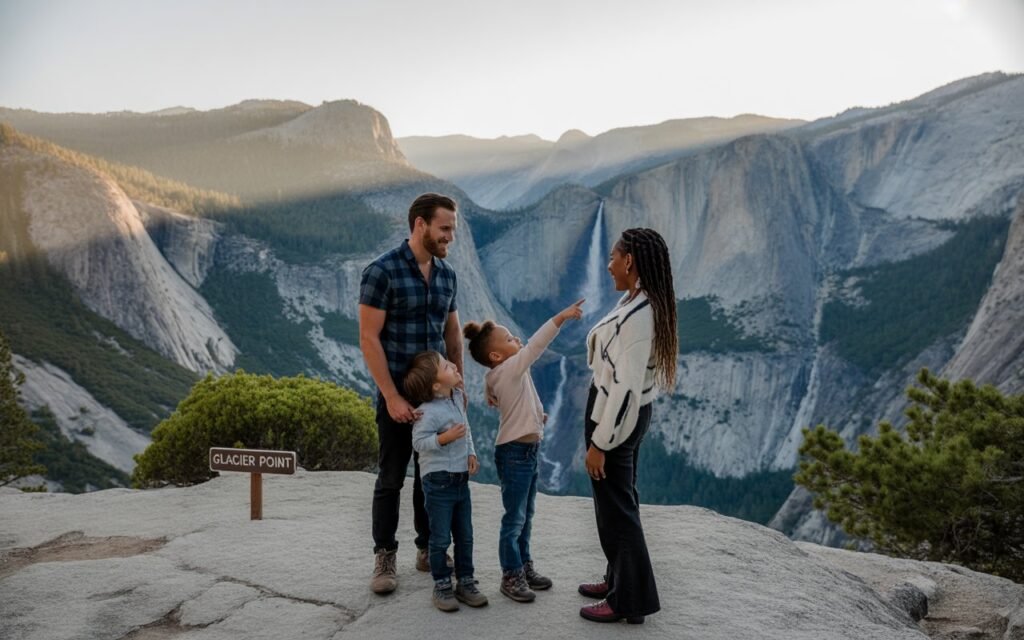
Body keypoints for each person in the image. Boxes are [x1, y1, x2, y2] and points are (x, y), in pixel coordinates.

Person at [359, 193, 463, 595]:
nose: (449, 237)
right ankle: (384, 556)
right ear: (420, 225)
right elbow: (369, 338)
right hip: (397, 395)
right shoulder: (381, 272)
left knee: (429, 476)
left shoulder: (447, 275)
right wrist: (391, 397)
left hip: (437, 397)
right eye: (444, 228)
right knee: (390, 478)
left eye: (451, 229)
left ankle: (427, 549)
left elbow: (451, 332)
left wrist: (460, 388)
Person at [578, 228, 678, 624]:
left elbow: (625, 390)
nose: (608, 266)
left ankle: (629, 601)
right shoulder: (638, 300)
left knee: (618, 511)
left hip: (615, 421)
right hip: (623, 418)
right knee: (618, 504)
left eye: (613, 258)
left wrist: (600, 442)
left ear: (630, 261)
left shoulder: (639, 316)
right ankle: (618, 579)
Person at [462, 299, 584, 603]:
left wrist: (537, 417)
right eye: (509, 339)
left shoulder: (505, 372)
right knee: (514, 517)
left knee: (526, 514)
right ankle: (510, 574)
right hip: (515, 453)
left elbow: (525, 399)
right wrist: (560, 316)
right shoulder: (510, 368)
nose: (517, 339)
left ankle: (524, 565)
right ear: (496, 355)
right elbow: (536, 345)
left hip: (527, 452)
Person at [404, 351, 488, 612]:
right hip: (438, 481)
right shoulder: (426, 413)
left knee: (465, 535)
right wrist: (444, 439)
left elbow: (466, 427)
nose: (453, 365)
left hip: (460, 480)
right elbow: (418, 443)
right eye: (445, 366)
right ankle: (441, 584)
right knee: (440, 538)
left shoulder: (457, 398)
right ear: (436, 386)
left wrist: (471, 451)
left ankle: (465, 581)